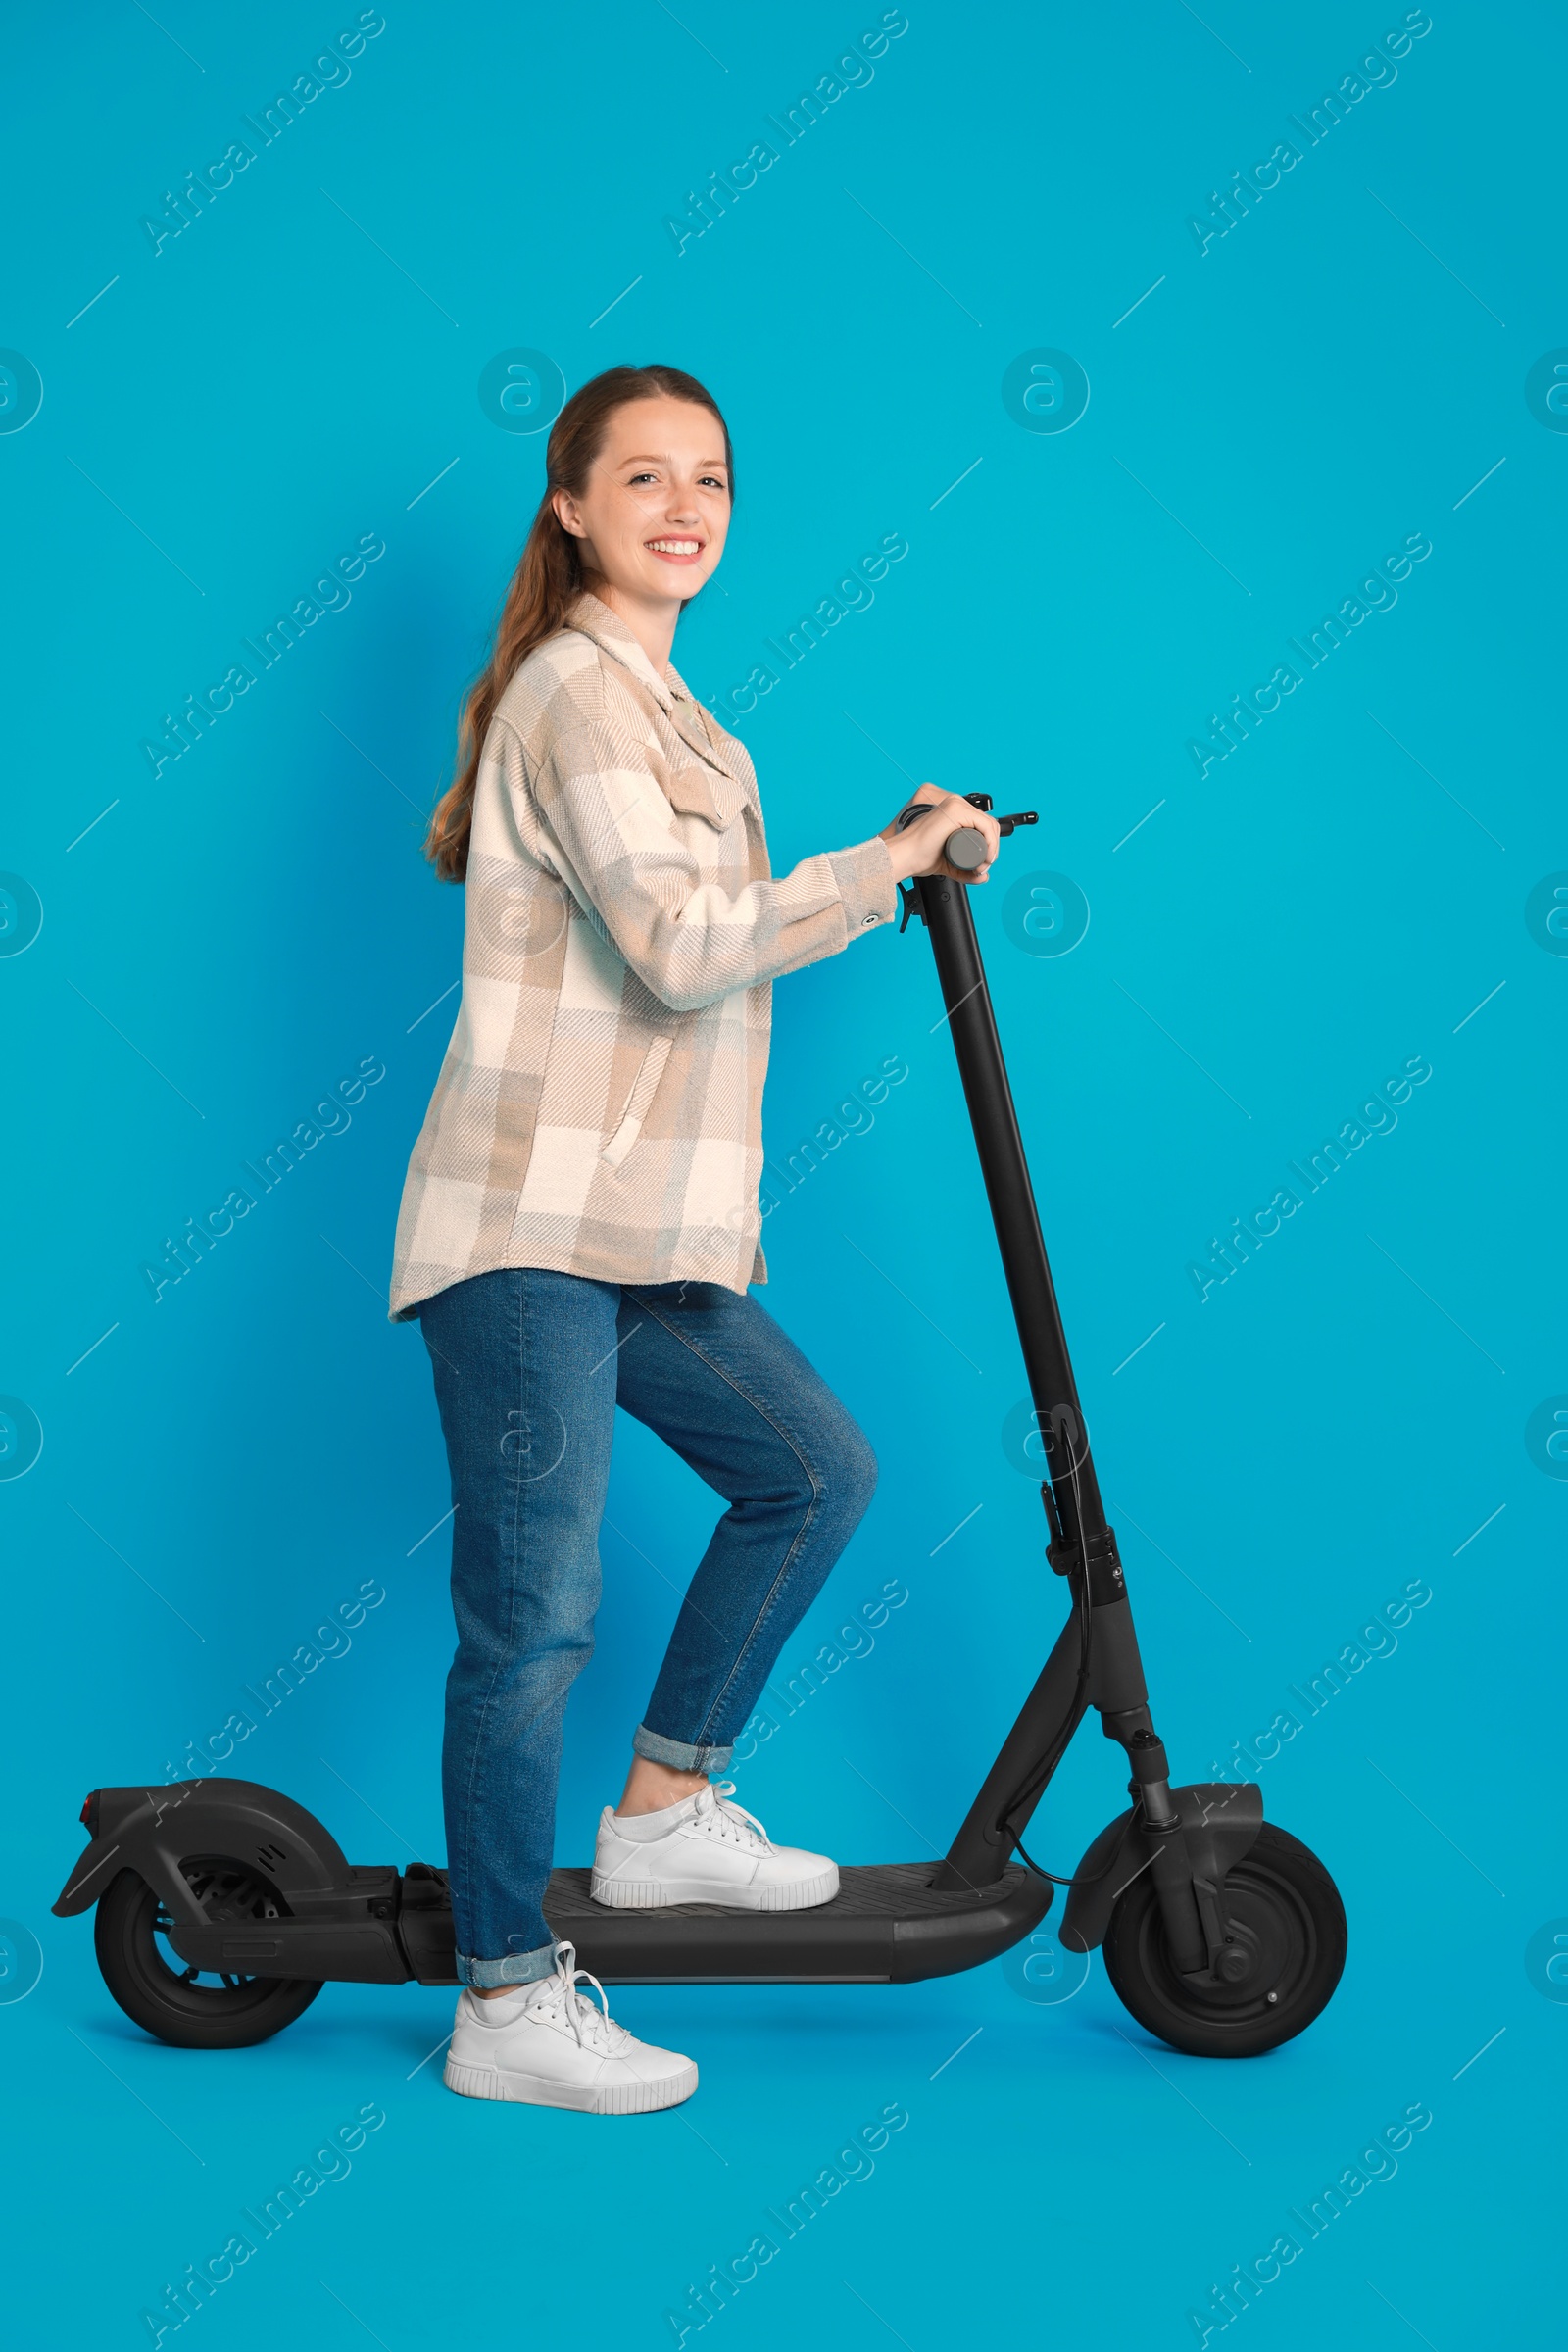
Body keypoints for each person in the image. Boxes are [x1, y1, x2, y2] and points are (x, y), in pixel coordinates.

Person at [388, 362, 998, 2114]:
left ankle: (661, 1816)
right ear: (569, 506)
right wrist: (878, 873)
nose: (684, 505)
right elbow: (678, 945)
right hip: (525, 1231)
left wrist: (877, 856)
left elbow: (699, 940)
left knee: (812, 1469)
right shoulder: (579, 694)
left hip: (631, 1230)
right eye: (642, 476)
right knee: (535, 1614)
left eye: (710, 479)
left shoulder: (681, 720)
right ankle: (502, 2001)